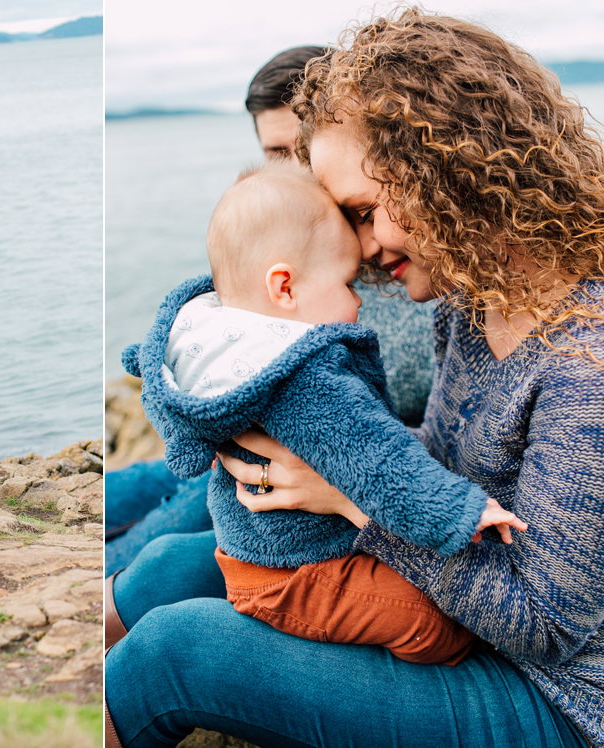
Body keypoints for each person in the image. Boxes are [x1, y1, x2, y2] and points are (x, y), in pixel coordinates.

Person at [106, 9, 604, 748]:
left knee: (174, 654)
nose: (364, 249)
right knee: (176, 564)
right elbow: (446, 454)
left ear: (445, 173)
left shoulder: (585, 366)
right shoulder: (472, 301)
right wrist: (318, 456)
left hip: (557, 695)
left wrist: (349, 499)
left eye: (366, 212)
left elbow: (546, 625)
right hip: (466, 597)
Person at [121, 159, 522, 665]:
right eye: (349, 284)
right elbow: (376, 457)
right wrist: (458, 513)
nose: (359, 302)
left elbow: (162, 396)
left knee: (165, 560)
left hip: (262, 554)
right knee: (436, 626)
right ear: (285, 288)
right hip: (303, 571)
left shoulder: (217, 345)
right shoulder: (304, 375)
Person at [104, 44, 436, 577]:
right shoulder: (293, 252)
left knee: (167, 542)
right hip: (256, 449)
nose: (290, 173)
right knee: (142, 483)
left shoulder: (409, 266)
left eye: (299, 153)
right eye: (274, 154)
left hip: (328, 468)